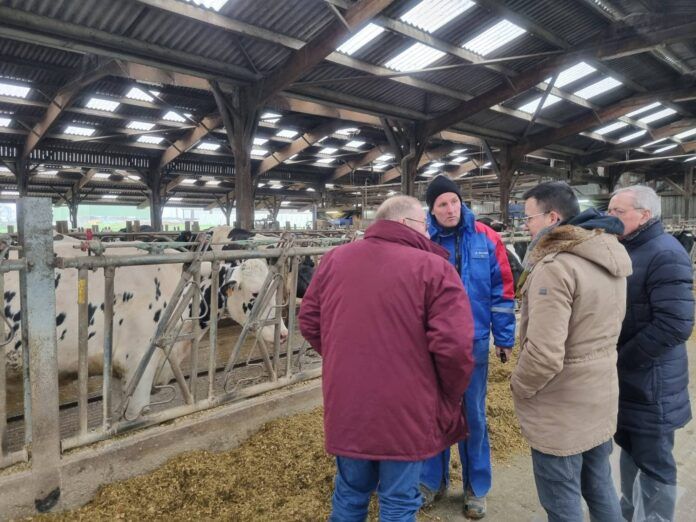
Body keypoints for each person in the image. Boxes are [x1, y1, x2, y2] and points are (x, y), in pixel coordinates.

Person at [298, 195, 475, 521]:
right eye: (425, 224)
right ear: (406, 223)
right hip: (406, 407)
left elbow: (309, 320)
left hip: (347, 403)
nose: (428, 232)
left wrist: (343, 358)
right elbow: (454, 346)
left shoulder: (335, 259)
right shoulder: (434, 268)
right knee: (398, 501)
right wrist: (448, 394)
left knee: (350, 494)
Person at [511, 181, 631, 522]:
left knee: (562, 500)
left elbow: (545, 354)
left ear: (552, 218)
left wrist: (519, 386)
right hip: (599, 395)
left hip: (562, 408)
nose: (525, 226)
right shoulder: (606, 253)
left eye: (529, 217)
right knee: (600, 486)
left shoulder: (556, 266)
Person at [419, 176, 516, 519]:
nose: (450, 209)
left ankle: (476, 488)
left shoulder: (486, 237)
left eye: (454, 202)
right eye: (442, 204)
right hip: (432, 344)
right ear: (431, 210)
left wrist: (504, 337)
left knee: (473, 415)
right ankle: (430, 482)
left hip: (473, 342)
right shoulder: (423, 240)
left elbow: (502, 290)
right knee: (432, 413)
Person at [608, 185, 694, 521]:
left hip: (652, 383)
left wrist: (621, 358)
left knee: (655, 461)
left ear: (645, 215)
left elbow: (675, 324)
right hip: (633, 380)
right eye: (609, 210)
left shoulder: (666, 254)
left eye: (618, 212)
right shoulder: (628, 248)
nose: (609, 217)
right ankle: (630, 514)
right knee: (631, 450)